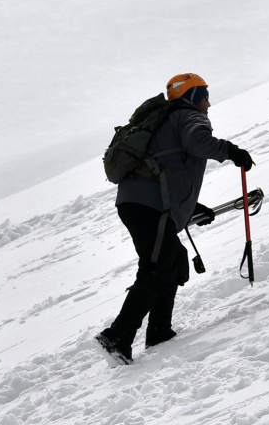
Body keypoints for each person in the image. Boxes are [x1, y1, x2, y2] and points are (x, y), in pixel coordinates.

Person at [96, 73, 252, 364]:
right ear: (191, 96)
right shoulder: (188, 117)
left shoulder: (166, 122)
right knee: (156, 267)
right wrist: (233, 152)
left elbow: (169, 170)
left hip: (144, 203)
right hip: (148, 206)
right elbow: (199, 142)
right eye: (203, 93)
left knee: (174, 260)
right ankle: (117, 335)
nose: (208, 101)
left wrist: (190, 207)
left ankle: (159, 331)